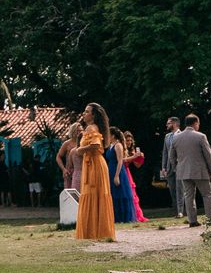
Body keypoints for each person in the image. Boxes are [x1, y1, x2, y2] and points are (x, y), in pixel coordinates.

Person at [74, 104, 116, 242]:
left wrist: (80, 150)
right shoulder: (93, 128)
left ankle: (92, 231)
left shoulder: (91, 128)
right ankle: (97, 231)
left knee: (93, 194)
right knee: (94, 195)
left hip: (94, 165)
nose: (84, 114)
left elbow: (96, 145)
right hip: (93, 163)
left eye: (87, 112)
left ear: (93, 115)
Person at [170, 113, 211, 226]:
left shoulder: (176, 138)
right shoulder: (201, 136)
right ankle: (209, 219)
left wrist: (177, 168)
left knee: (189, 196)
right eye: (198, 123)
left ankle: (192, 220)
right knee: (207, 194)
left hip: (183, 171)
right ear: (195, 123)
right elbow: (208, 155)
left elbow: (172, 157)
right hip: (200, 170)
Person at [124, 133, 148, 223]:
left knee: (133, 194)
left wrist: (140, 158)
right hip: (122, 171)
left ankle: (136, 214)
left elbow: (137, 165)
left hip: (130, 172)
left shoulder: (131, 150)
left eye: (130, 140)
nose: (129, 142)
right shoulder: (121, 148)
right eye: (127, 140)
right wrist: (133, 157)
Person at [161, 116, 183, 218]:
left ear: (174, 124)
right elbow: (165, 153)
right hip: (169, 167)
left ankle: (181, 211)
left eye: (168, 123)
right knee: (172, 190)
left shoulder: (182, 135)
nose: (167, 125)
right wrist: (164, 167)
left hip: (180, 166)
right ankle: (176, 211)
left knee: (180, 189)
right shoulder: (167, 137)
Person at [57, 123, 81, 195]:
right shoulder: (67, 143)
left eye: (80, 131)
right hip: (69, 171)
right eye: (77, 131)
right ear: (73, 131)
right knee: (69, 193)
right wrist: (63, 169)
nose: (79, 132)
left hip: (80, 169)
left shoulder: (83, 143)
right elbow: (58, 157)